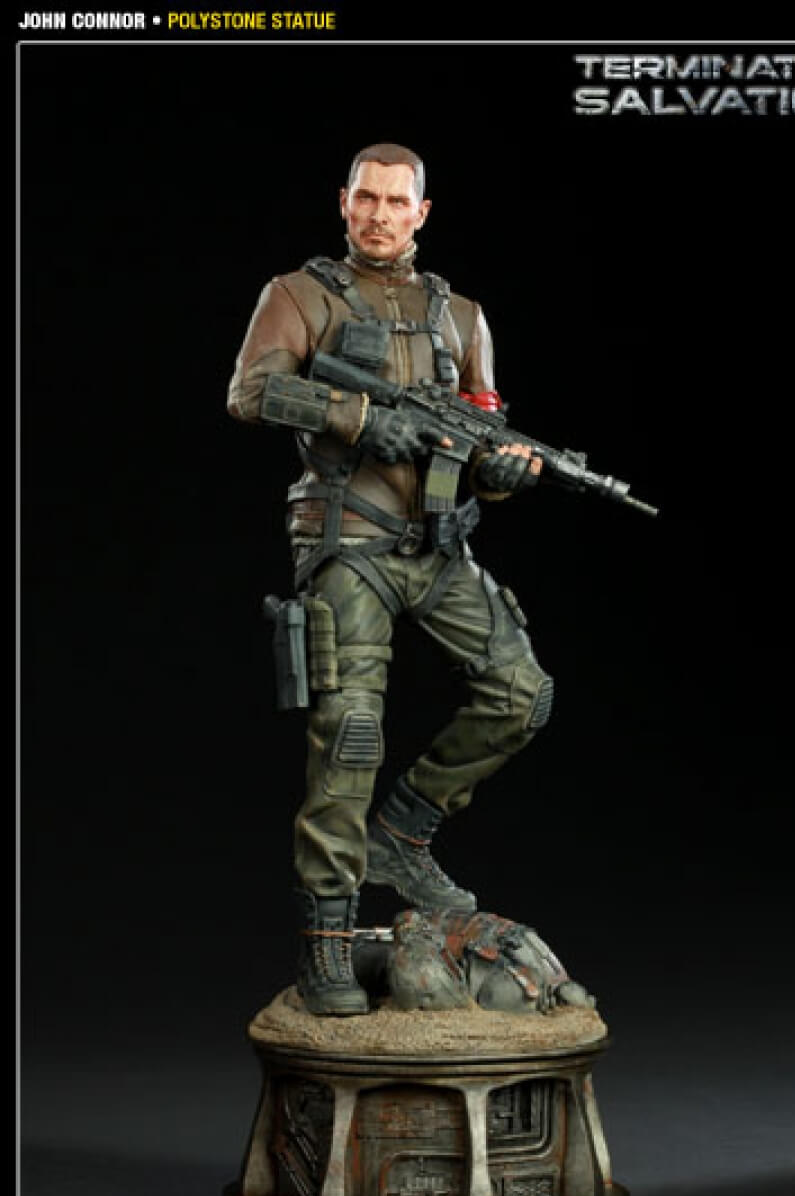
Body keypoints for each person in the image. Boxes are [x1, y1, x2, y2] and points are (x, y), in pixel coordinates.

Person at [227, 143, 553, 1016]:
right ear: (344, 202)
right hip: (348, 542)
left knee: (522, 695)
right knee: (351, 736)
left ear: (421, 213)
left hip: (438, 547)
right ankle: (327, 945)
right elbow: (251, 392)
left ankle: (404, 832)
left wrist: (503, 473)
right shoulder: (300, 295)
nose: (378, 215)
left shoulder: (463, 317)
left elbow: (482, 439)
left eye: (395, 202)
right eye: (365, 199)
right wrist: (359, 419)